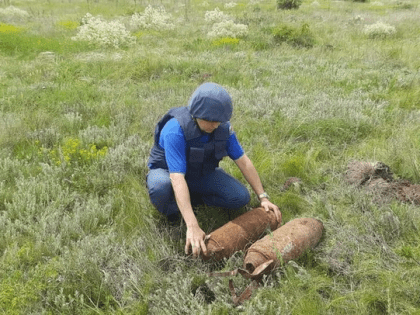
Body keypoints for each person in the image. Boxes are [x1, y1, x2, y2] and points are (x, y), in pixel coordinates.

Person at [146, 82, 281, 258]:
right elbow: (177, 178)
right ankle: (173, 212)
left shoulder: (223, 129)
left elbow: (244, 161)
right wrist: (193, 226)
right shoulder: (175, 130)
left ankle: (192, 199)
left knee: (240, 197)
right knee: (160, 187)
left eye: (219, 120)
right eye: (210, 120)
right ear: (196, 113)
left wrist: (263, 197)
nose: (215, 125)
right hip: (168, 172)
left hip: (199, 173)